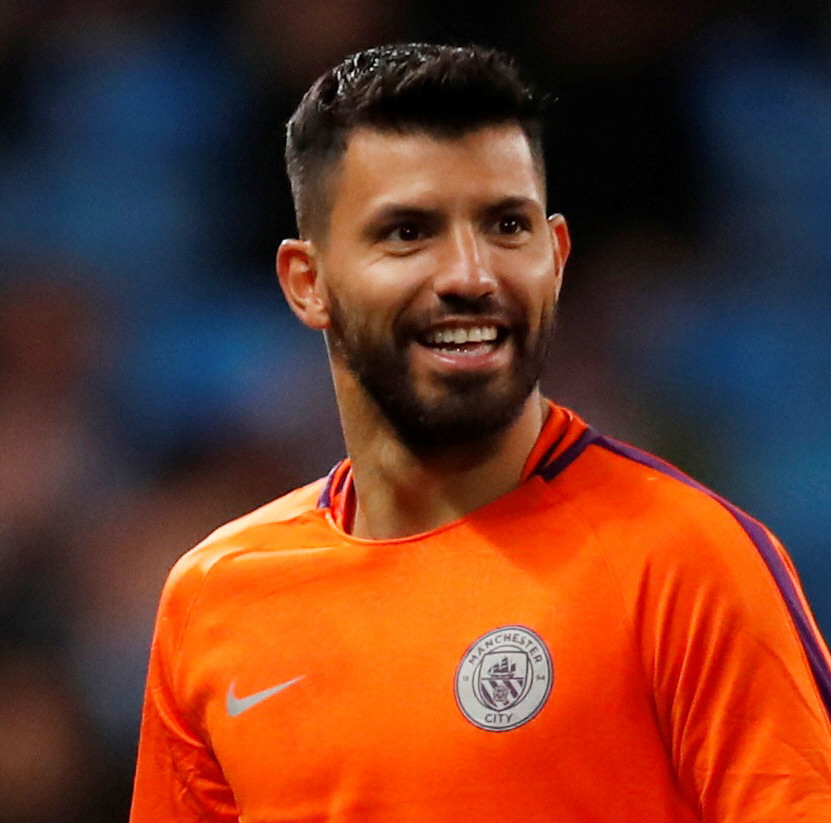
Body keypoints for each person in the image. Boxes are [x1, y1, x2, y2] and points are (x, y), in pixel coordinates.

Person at [129, 43, 831, 821]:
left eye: (505, 225)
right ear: (308, 281)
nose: (470, 274)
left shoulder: (685, 563)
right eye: (407, 232)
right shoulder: (214, 597)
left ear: (555, 258)